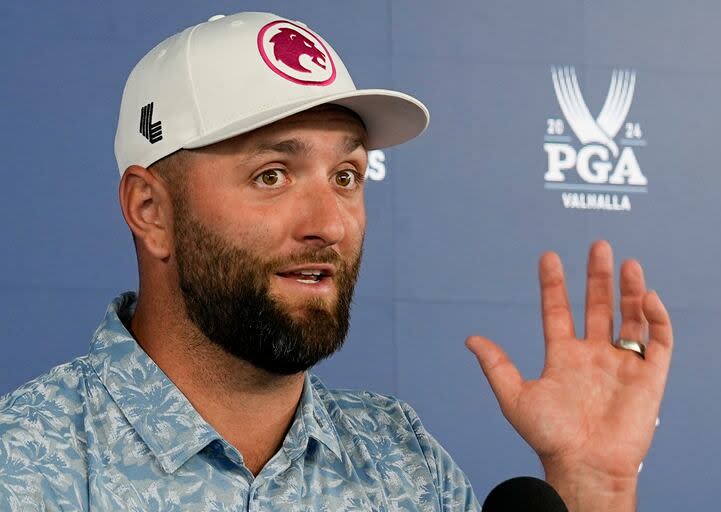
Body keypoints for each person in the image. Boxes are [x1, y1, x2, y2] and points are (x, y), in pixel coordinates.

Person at [0, 12, 673, 511]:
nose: (329, 224)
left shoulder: (403, 463)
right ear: (150, 209)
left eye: (347, 175)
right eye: (272, 175)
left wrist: (592, 486)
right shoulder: (23, 466)